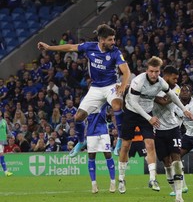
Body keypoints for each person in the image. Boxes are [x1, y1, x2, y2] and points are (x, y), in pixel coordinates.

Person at [37, 24, 130, 157]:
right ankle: (81, 142)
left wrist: (122, 86)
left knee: (116, 105)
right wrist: (48, 47)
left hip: (111, 85)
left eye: (113, 39)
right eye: (110, 39)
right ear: (102, 40)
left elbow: (126, 72)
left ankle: (120, 139)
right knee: (78, 117)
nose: (113, 42)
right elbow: (70, 47)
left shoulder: (115, 52)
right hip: (96, 88)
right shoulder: (89, 47)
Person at [117, 56, 193, 196]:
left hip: (147, 114)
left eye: (156, 71)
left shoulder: (161, 82)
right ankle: (121, 179)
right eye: (151, 71)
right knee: (126, 145)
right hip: (132, 112)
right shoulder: (138, 81)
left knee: (150, 144)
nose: (154, 74)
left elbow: (173, 96)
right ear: (147, 70)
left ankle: (153, 179)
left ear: (159, 72)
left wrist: (184, 109)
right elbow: (134, 103)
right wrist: (149, 118)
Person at [152, 65, 187, 202]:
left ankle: (179, 198)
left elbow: (164, 101)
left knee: (176, 160)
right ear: (166, 76)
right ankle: (175, 193)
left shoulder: (175, 89)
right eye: (174, 77)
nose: (176, 80)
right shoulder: (154, 85)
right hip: (158, 131)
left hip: (173, 128)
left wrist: (148, 94)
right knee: (166, 164)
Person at [86, 103, 116, 194]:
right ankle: (93, 184)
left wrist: (109, 114)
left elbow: (112, 103)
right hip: (91, 133)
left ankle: (113, 182)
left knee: (108, 154)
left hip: (103, 131)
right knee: (91, 156)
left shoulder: (103, 99)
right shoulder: (86, 100)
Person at [0, 111, 13, 176]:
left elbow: (7, 130)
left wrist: (12, 136)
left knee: (1, 156)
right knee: (1, 155)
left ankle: (6, 172)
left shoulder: (4, 122)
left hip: (2, 141)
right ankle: (6, 172)